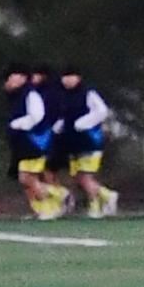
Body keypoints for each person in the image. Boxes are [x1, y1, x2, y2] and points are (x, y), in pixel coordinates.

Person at [52, 68, 121, 217]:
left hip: (89, 142)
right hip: (73, 142)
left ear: (78, 77)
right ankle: (104, 198)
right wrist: (60, 126)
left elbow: (102, 111)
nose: (67, 80)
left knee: (84, 176)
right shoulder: (64, 96)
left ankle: (98, 204)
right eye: (65, 77)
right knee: (78, 176)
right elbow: (65, 116)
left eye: (71, 76)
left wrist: (84, 123)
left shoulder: (88, 93)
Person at [1, 69, 63, 219]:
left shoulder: (30, 94)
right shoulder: (16, 96)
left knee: (28, 178)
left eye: (12, 77)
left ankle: (58, 197)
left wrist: (18, 124)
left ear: (23, 78)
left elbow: (37, 115)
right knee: (27, 179)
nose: (10, 81)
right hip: (23, 143)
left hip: (34, 142)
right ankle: (46, 208)